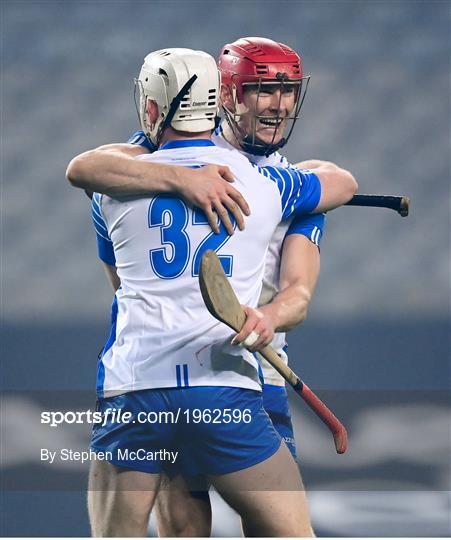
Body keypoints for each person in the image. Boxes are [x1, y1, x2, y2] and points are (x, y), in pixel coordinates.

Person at [67, 40, 358, 536]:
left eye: (286, 89)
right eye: (261, 89)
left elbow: (87, 178)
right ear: (225, 96)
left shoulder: (118, 181)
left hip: (146, 381)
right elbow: (342, 182)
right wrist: (185, 180)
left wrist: (270, 316)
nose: (278, 103)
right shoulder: (271, 185)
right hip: (228, 379)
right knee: (213, 526)